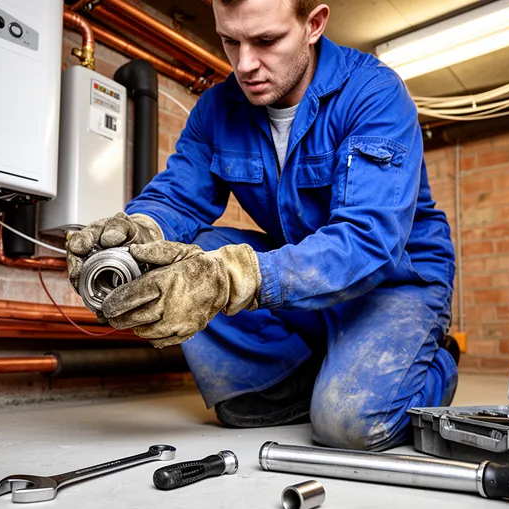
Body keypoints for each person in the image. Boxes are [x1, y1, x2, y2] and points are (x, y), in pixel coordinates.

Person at [66, 0, 458, 451]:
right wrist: (134, 235)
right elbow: (175, 197)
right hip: (307, 278)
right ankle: (314, 370)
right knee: (194, 255)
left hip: (394, 282)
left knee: (348, 425)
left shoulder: (372, 93)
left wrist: (235, 278)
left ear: (313, 24)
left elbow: (366, 240)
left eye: (267, 41)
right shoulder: (218, 110)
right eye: (230, 41)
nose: (245, 64)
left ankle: (435, 362)